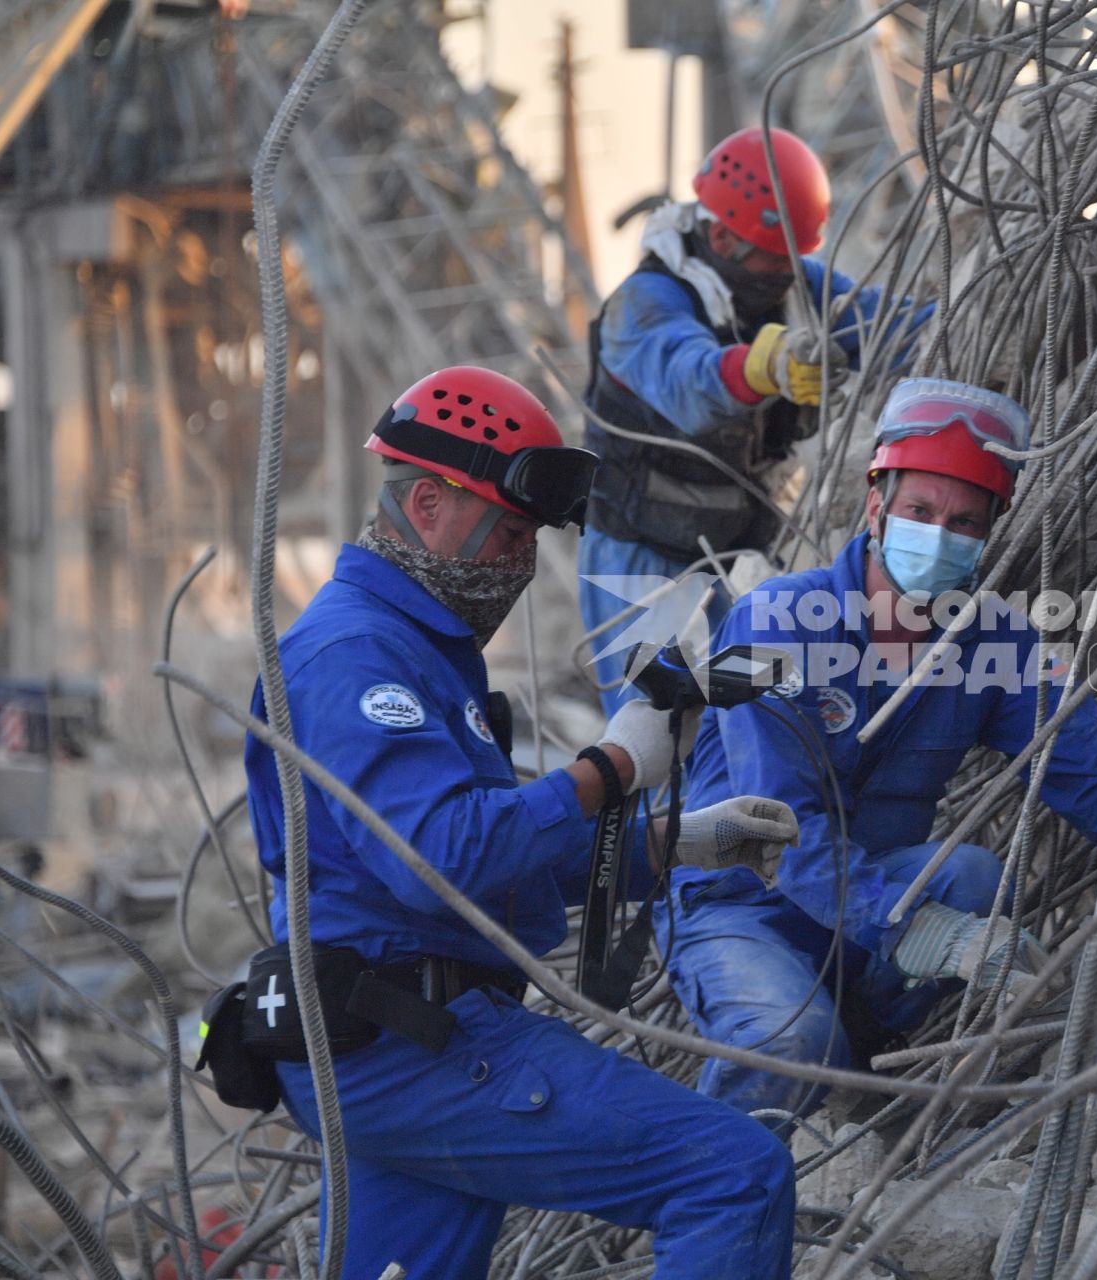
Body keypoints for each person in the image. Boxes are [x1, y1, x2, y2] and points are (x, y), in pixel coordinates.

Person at [242, 366, 802, 1279]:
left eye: (531, 536)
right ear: (427, 503)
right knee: (734, 1174)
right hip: (412, 1046)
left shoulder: (415, 647)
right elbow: (446, 856)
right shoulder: (356, 658)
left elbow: (498, 851)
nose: (522, 558)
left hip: (384, 1044)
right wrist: (614, 766)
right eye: (509, 531)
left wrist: (673, 841)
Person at [659, 379, 1097, 1121]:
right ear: (876, 506)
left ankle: (863, 1072)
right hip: (737, 903)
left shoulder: (993, 645)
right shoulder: (774, 622)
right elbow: (774, 829)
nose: (939, 536)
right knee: (790, 1040)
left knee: (971, 876)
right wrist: (911, 928)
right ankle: (720, 1174)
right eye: (919, 512)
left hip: (861, 911)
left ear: (989, 536)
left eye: (964, 522)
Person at [577, 126, 931, 714]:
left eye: (795, 260)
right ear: (721, 235)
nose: (785, 274)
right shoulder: (644, 304)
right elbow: (687, 381)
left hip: (744, 558)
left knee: (756, 722)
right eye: (773, 259)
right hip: (643, 562)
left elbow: (890, 329)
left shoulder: (796, 286)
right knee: (656, 734)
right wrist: (764, 367)